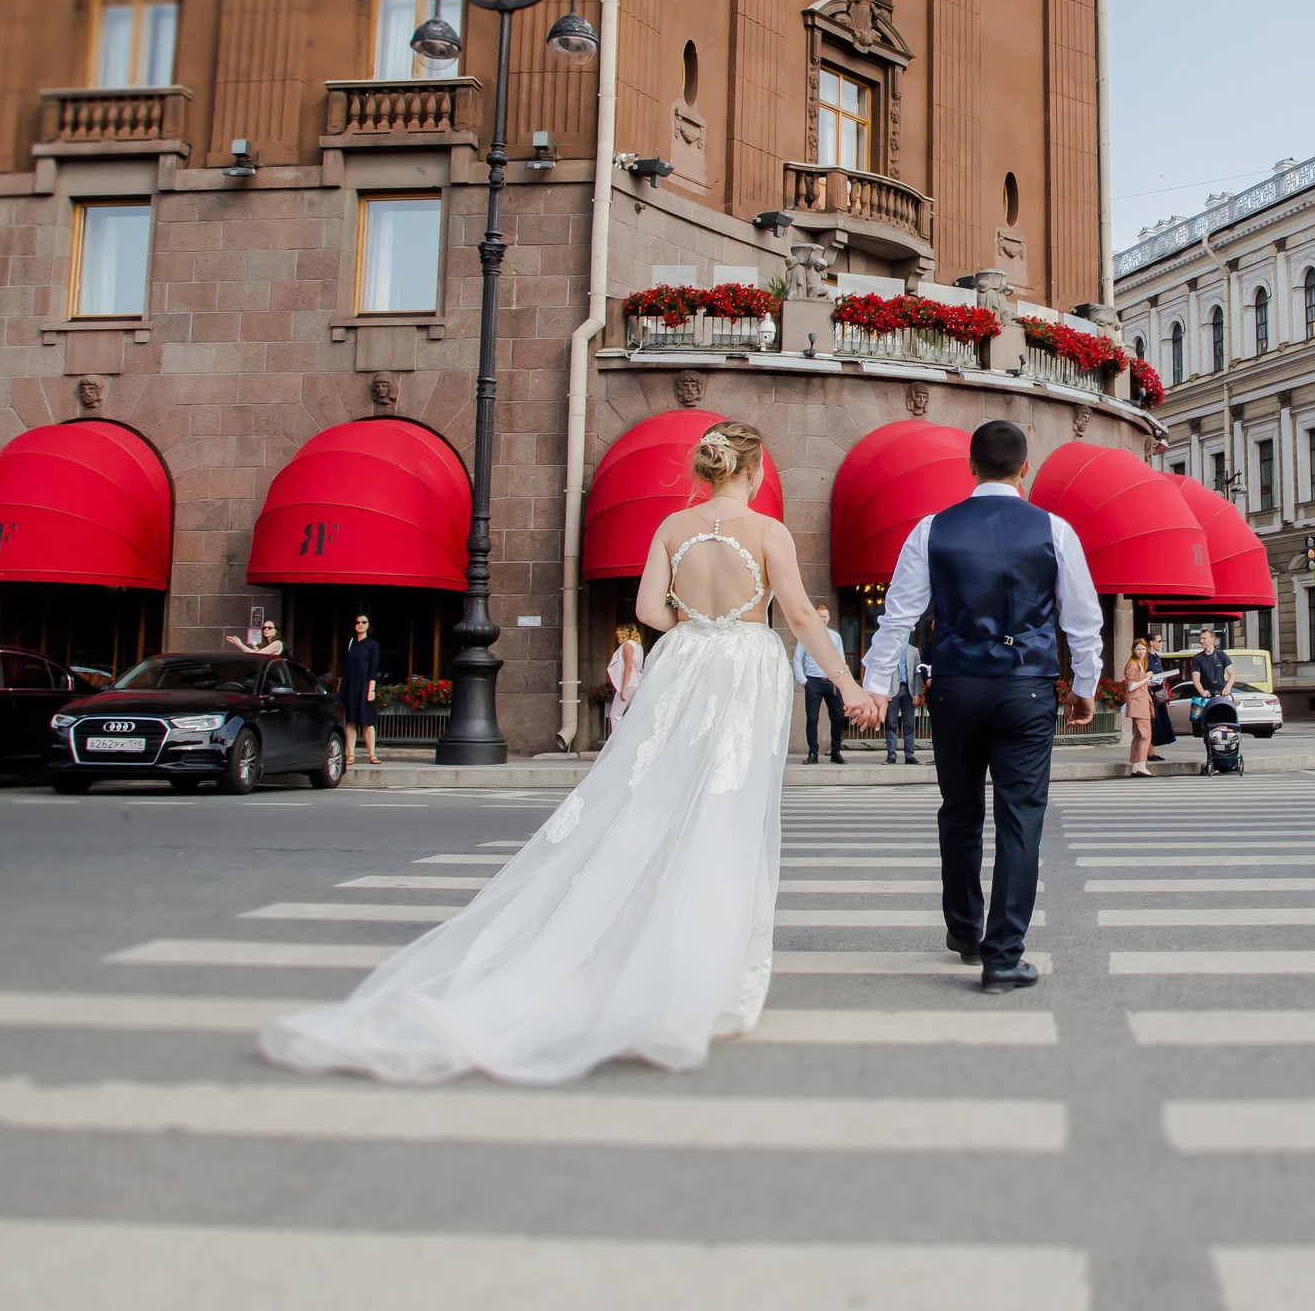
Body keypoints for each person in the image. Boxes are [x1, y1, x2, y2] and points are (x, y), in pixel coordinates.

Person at [259, 421, 874, 1083]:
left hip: (687, 660)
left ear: (709, 467)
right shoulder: (768, 532)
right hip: (746, 667)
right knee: (727, 812)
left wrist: (699, 625)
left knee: (658, 805)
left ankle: (629, 952)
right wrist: (845, 682)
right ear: (753, 471)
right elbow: (803, 616)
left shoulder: (672, 527)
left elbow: (649, 609)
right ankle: (706, 975)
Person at [862, 419, 1100, 994]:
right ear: (1025, 469)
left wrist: (873, 681)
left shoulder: (931, 529)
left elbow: (900, 613)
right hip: (1028, 687)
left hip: (956, 686)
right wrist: (1086, 684)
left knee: (960, 809)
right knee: (1021, 817)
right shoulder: (1054, 529)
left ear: (970, 467)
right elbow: (1081, 618)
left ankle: (965, 930)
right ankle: (1003, 955)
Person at [793, 604, 849, 764]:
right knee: (812, 718)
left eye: (825, 616)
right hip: (813, 681)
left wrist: (842, 681)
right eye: (819, 616)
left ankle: (836, 751)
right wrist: (803, 680)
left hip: (832, 681)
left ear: (829, 618)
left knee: (837, 717)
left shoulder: (835, 636)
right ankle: (813, 753)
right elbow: (797, 659)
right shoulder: (806, 635)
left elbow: (841, 659)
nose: (822, 619)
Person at [339, 612, 383, 768]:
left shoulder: (372, 644)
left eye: (364, 622)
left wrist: (371, 689)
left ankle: (372, 754)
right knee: (350, 721)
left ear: (368, 624)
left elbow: (374, 668)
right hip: (350, 685)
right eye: (357, 622)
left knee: (368, 721)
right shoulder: (351, 642)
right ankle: (350, 754)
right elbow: (346, 667)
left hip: (365, 685)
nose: (360, 624)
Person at [884, 644, 925, 766]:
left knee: (909, 724)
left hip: (909, 690)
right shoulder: (890, 649)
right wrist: (885, 691)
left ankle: (909, 755)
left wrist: (917, 692)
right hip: (893, 691)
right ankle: (891, 755)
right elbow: (884, 671)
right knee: (891, 723)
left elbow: (918, 673)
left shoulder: (914, 650)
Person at [604, 622, 644, 744]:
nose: (617, 634)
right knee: (631, 713)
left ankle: (617, 742)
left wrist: (624, 688)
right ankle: (631, 740)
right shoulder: (638, 646)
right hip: (637, 680)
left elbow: (628, 667)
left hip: (630, 683)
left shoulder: (627, 645)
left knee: (615, 714)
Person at [1122, 639, 1157, 777]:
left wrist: (1147, 683)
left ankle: (1136, 766)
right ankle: (1142, 764)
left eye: (1143, 649)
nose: (1141, 652)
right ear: (1133, 650)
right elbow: (1131, 686)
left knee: (1137, 735)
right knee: (1145, 735)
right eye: (1138, 649)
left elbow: (1138, 685)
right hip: (1138, 704)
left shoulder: (1139, 664)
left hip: (1140, 702)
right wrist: (1147, 678)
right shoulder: (1133, 665)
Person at [1189, 626, 1234, 727]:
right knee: (1206, 722)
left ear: (1212, 639)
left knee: (1224, 720)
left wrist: (1227, 688)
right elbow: (1196, 679)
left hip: (1221, 695)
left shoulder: (1221, 655)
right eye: (1200, 638)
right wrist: (1202, 691)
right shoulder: (1197, 658)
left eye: (1204, 638)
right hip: (1207, 696)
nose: (1201, 641)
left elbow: (1232, 674)